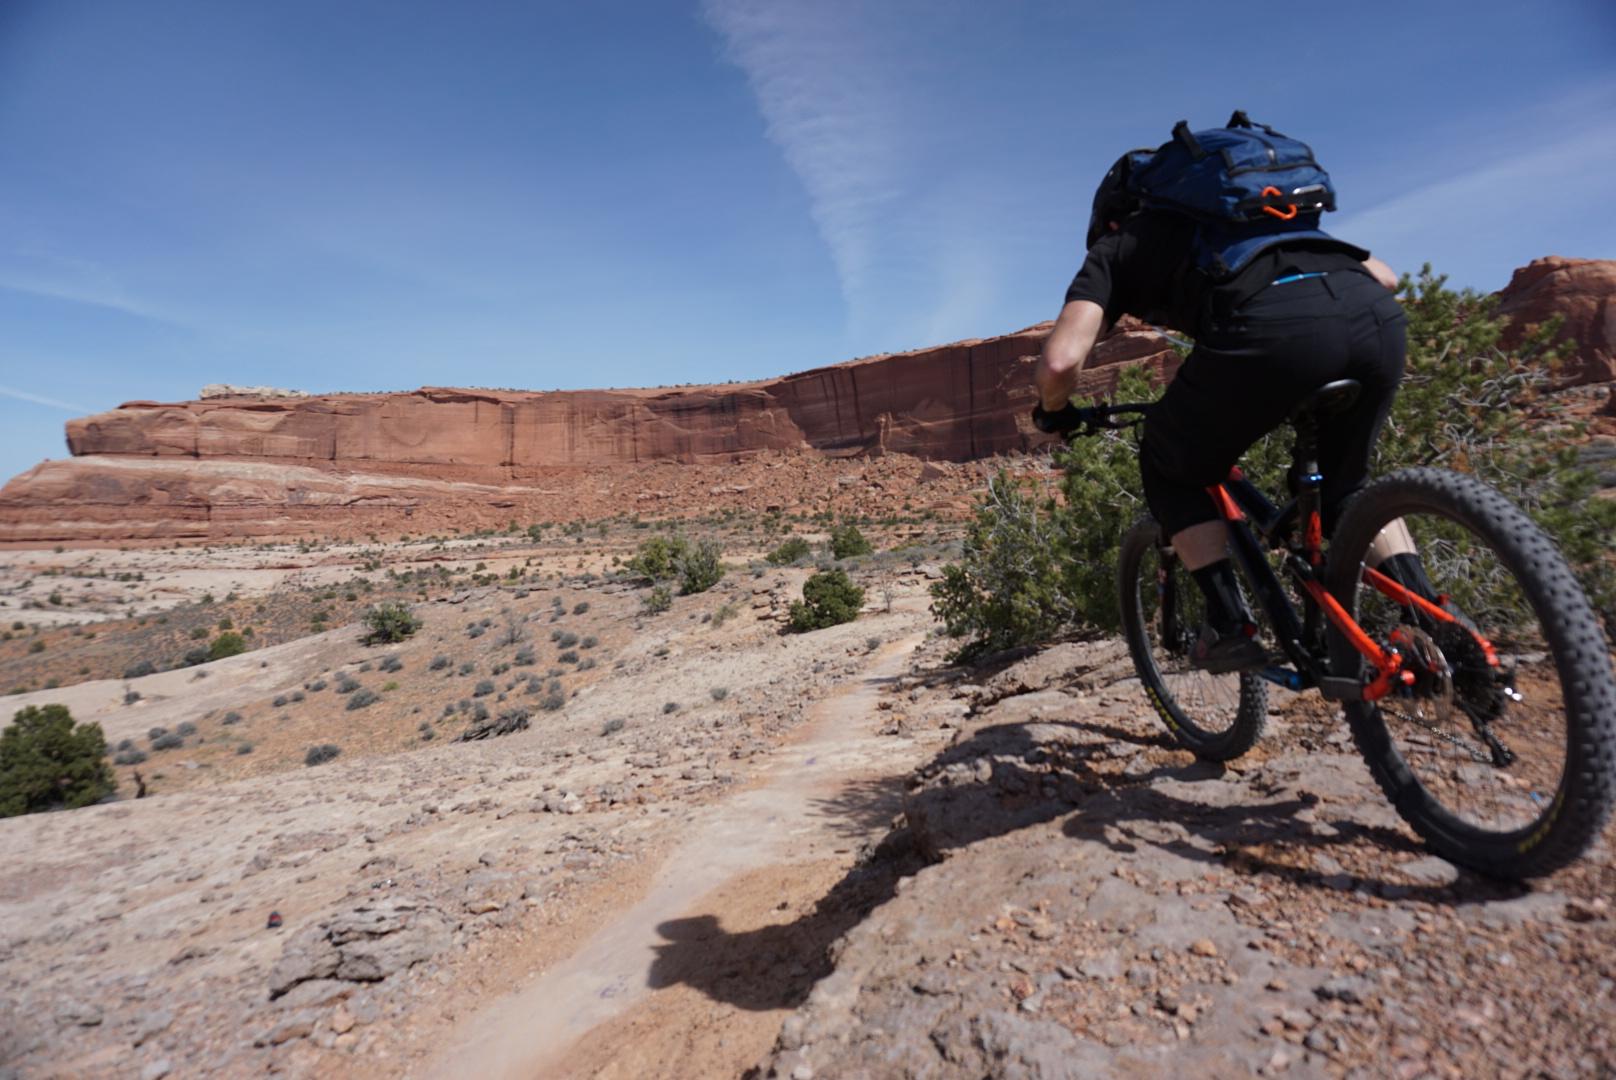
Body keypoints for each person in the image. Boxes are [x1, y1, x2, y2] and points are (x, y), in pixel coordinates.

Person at [1034, 153, 1416, 674]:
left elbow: (1060, 361)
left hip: (1270, 336)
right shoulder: (1255, 220)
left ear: (1112, 218)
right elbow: (1387, 278)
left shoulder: (1119, 247)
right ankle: (1431, 620)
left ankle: (1230, 625)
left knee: (1170, 464)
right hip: (1375, 320)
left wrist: (1053, 411)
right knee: (1346, 490)